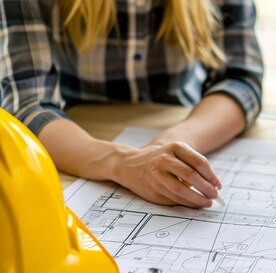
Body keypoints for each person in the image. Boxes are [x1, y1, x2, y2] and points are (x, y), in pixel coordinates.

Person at [1, 0, 262, 208]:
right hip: (73, 140)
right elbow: (28, 103)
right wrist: (123, 163)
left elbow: (239, 81)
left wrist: (175, 142)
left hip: (183, 121)